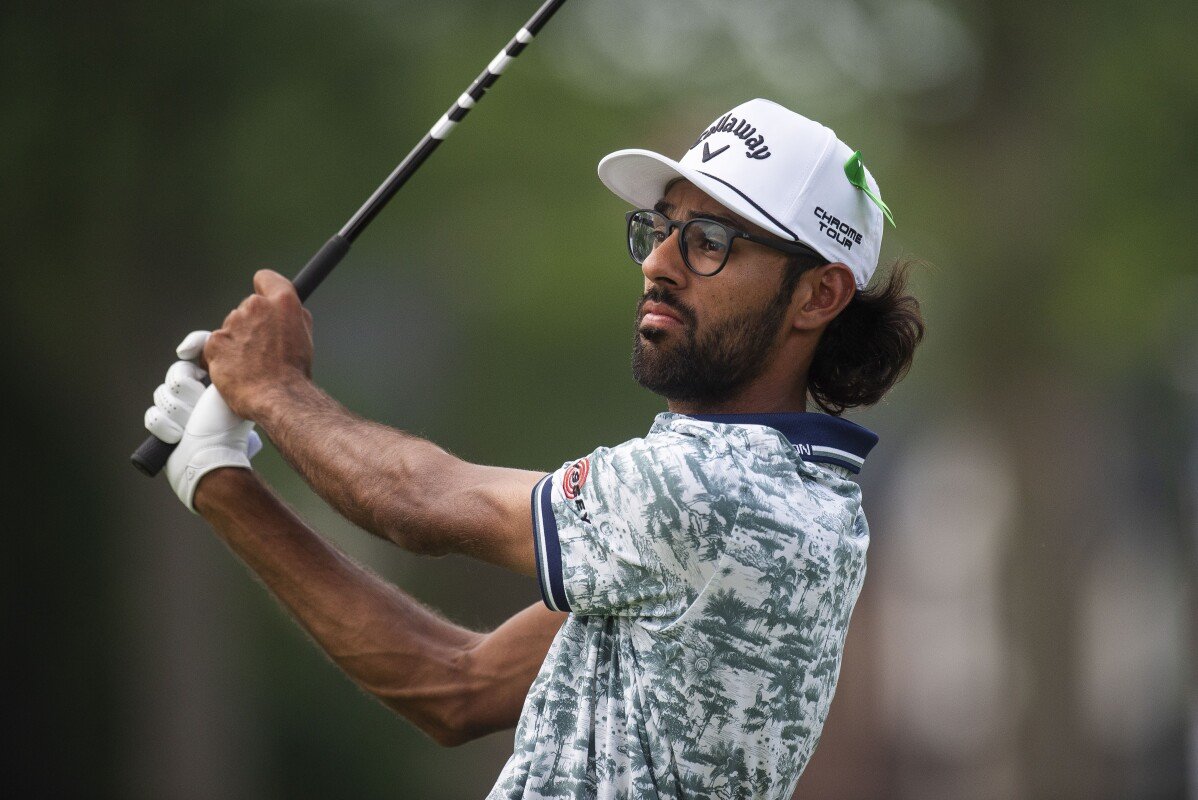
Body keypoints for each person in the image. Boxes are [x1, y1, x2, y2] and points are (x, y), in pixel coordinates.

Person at [142, 98, 924, 798]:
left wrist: (273, 390)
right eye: (662, 231)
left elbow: (420, 502)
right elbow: (455, 686)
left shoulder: (714, 494)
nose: (658, 264)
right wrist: (218, 476)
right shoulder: (797, 498)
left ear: (819, 295)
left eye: (710, 241)